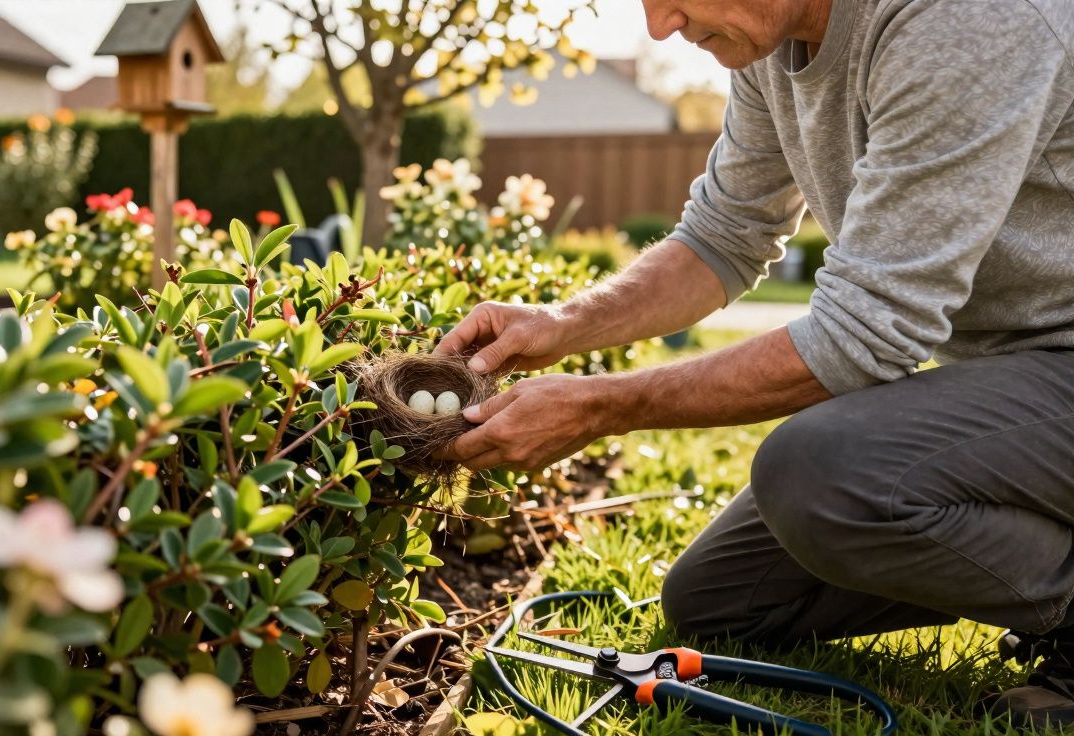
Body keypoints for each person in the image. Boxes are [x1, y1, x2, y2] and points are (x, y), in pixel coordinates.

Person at [435, 0, 1074, 726]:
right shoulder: (773, 45)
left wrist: (601, 405)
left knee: (819, 472)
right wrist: (562, 324)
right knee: (721, 601)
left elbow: (864, 333)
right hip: (1019, 372)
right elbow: (723, 235)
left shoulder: (968, 20)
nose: (659, 26)